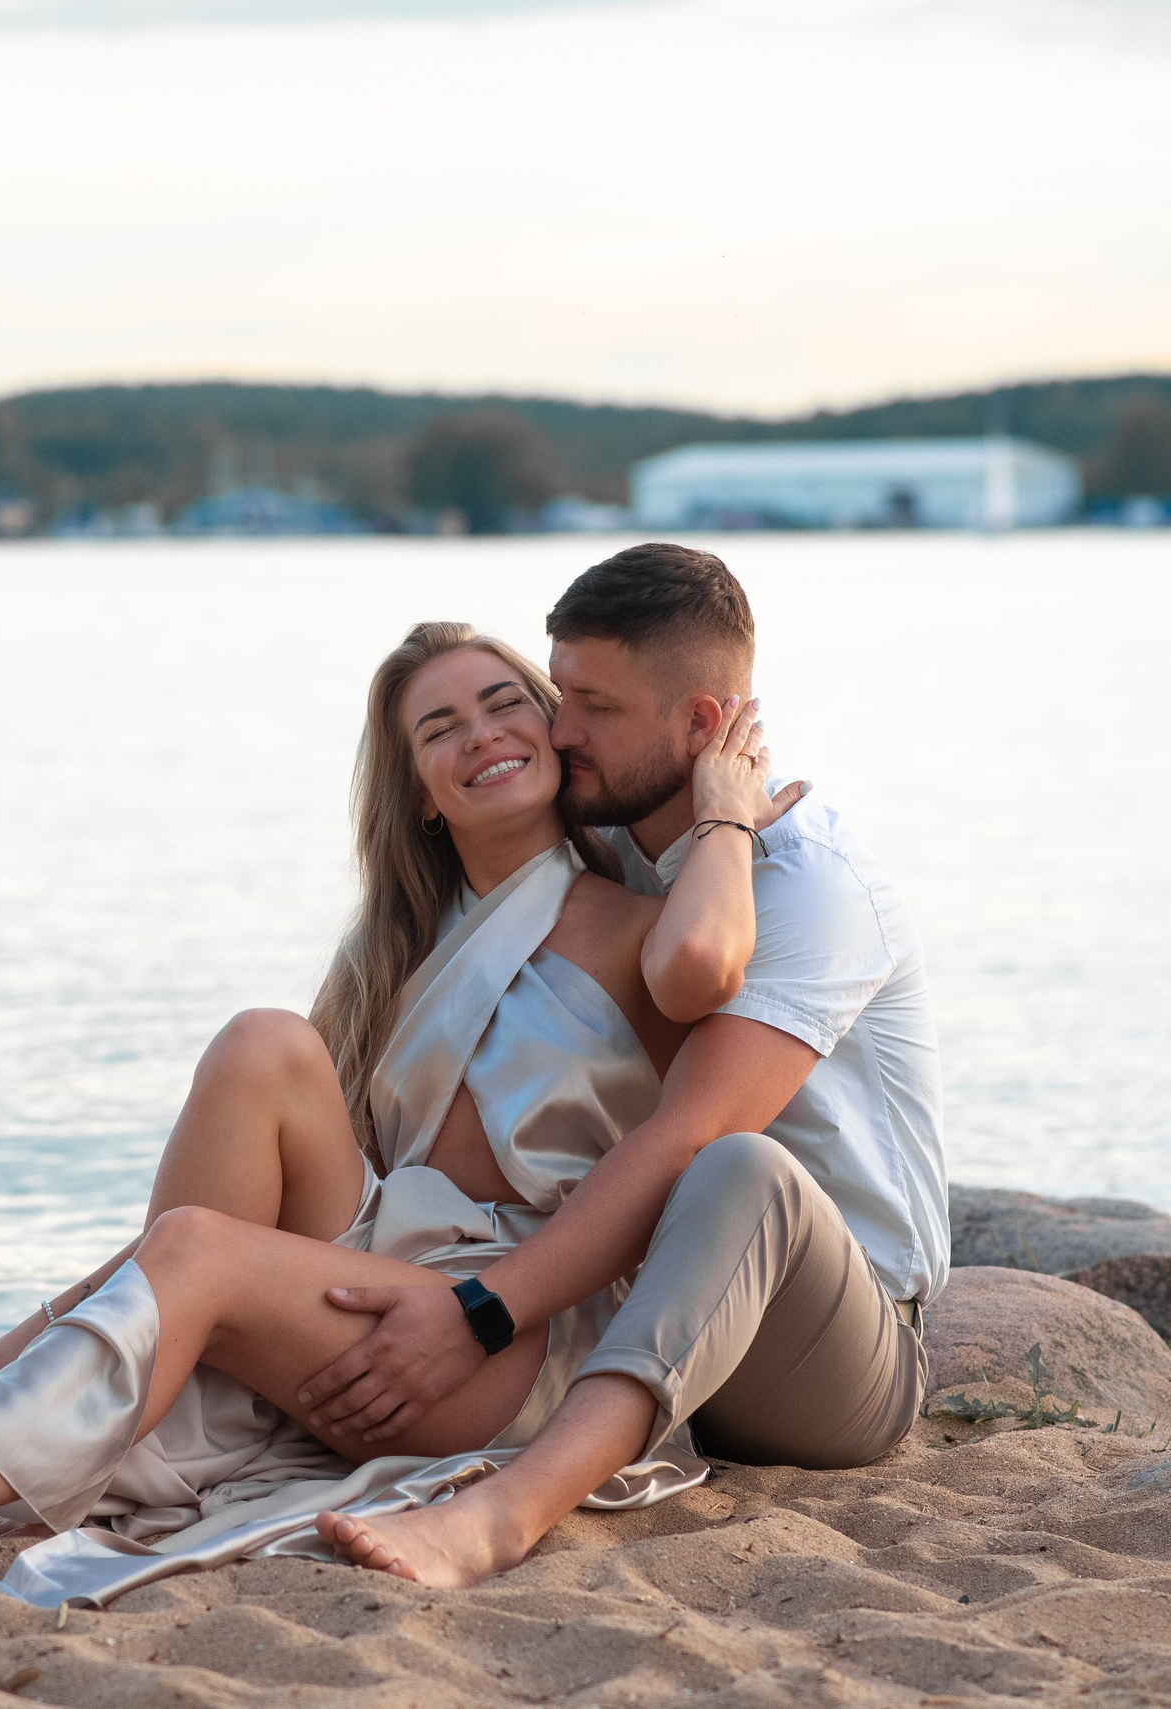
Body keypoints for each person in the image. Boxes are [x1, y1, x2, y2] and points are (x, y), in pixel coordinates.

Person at [0, 617, 784, 1591]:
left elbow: (703, 963)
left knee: (206, 1255)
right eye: (439, 726)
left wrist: (723, 816)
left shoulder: (643, 922)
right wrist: (32, 1326)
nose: (482, 734)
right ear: (416, 786)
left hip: (507, 1327)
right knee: (261, 1044)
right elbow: (194, 1220)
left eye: (507, 703)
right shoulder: (396, 954)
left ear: (555, 733)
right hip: (374, 1264)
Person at [309, 542, 946, 1586]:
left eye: (592, 707)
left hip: (826, 1345)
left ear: (700, 725)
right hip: (628, 1308)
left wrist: (479, 1313)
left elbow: (688, 1130)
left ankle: (506, 1515)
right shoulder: (614, 845)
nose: (557, 730)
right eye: (560, 693)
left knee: (734, 1163)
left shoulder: (810, 886)